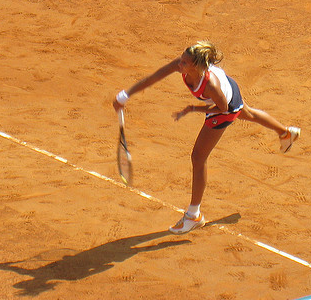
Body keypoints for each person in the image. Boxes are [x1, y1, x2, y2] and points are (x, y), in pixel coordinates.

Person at [112, 41, 301, 235]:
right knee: (249, 113)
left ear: (196, 67)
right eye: (181, 60)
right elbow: (155, 77)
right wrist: (125, 96)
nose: (179, 64)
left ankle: (193, 216)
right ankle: (286, 133)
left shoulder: (210, 85)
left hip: (224, 106)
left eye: (184, 63)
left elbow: (224, 108)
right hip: (228, 89)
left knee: (198, 157)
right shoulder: (183, 65)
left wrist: (193, 108)